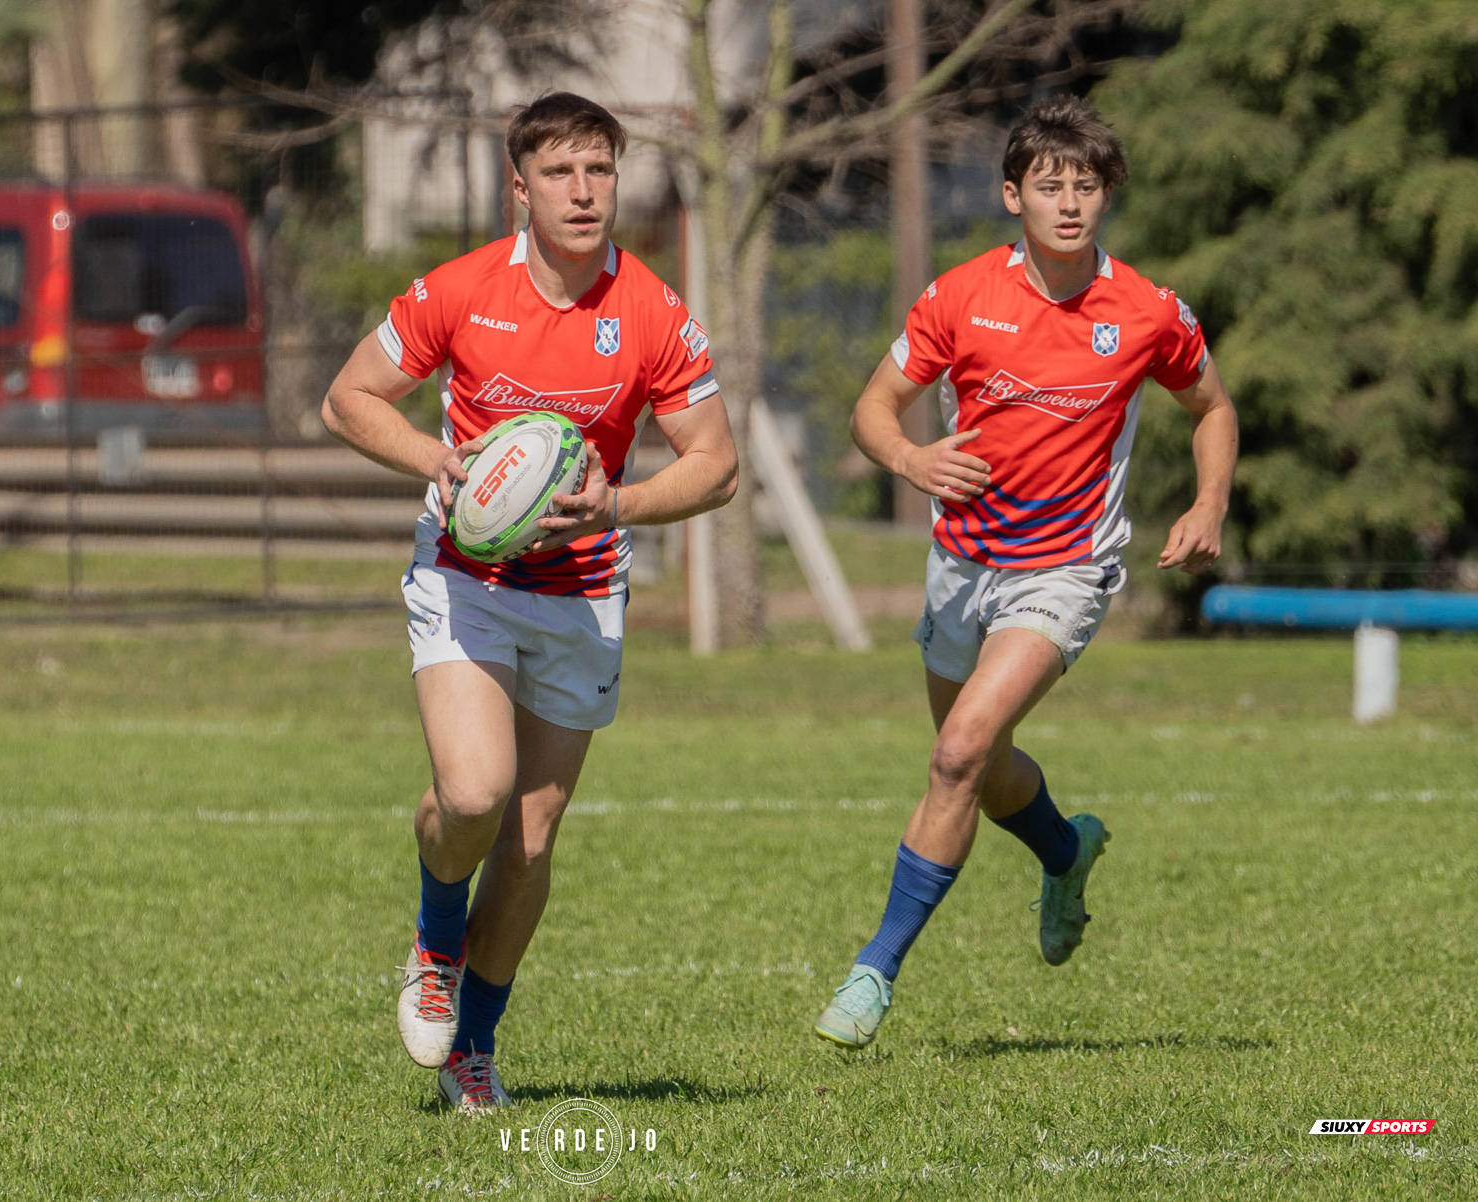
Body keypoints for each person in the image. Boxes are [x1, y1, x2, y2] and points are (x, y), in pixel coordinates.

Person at [322, 92, 738, 1111]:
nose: (583, 191)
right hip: (467, 578)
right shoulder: (463, 289)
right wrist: (436, 460)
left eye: (599, 170)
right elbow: (348, 397)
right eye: (560, 171)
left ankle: (474, 1046)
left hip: (582, 594)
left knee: (530, 840)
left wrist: (618, 504)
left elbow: (717, 464)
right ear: (521, 187)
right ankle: (435, 939)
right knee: (473, 795)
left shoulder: (652, 311)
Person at [813, 95, 1239, 1048]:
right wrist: (912, 459)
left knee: (959, 751)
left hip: (1066, 569)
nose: (1070, 203)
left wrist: (1208, 502)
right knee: (983, 762)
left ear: (1106, 196)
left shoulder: (1147, 310)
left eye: (1087, 186)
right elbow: (874, 409)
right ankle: (1064, 847)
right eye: (1051, 186)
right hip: (961, 563)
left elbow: (1213, 406)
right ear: (1014, 196)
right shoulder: (960, 296)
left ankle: (873, 972)